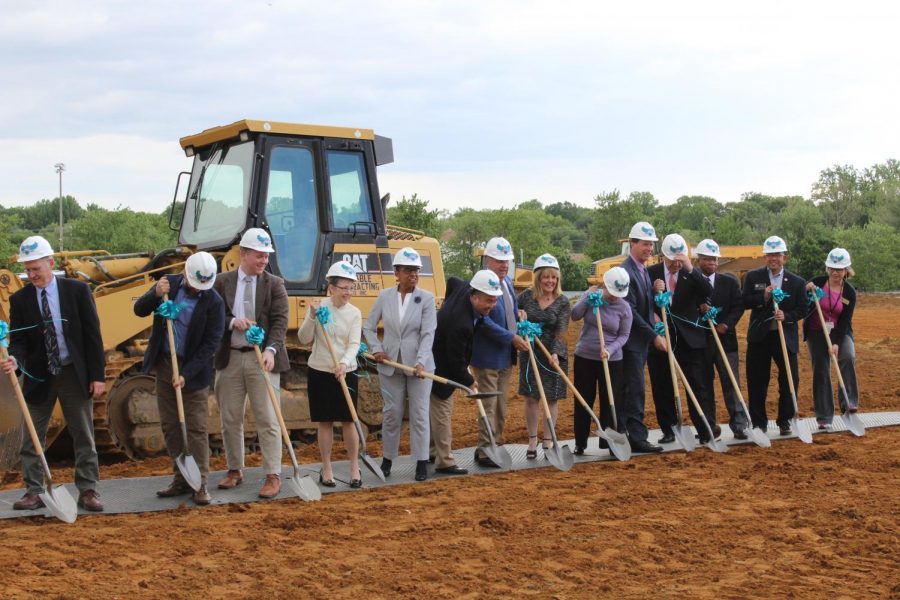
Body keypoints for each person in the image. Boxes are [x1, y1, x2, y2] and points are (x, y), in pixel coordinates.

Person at [1, 236, 106, 512]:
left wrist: (97, 375)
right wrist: (15, 360)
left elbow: (93, 336)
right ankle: (34, 491)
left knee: (83, 432)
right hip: (39, 374)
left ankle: (88, 489)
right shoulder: (20, 299)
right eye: (28, 269)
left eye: (36, 268)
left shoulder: (77, 291)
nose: (32, 274)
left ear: (50, 262)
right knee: (32, 433)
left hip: (73, 371)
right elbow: (19, 341)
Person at [134, 251, 225, 505]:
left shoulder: (214, 302)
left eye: (202, 288)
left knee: (195, 427)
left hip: (194, 370)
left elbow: (211, 344)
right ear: (185, 273)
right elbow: (138, 310)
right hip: (165, 363)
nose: (197, 291)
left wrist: (186, 374)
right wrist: (153, 292)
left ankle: (201, 482)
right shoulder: (168, 285)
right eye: (194, 286)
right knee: (171, 424)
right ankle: (181, 478)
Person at [213, 228, 289, 499]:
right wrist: (233, 322)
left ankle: (273, 474)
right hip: (230, 358)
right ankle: (235, 469)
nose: (264, 260)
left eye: (266, 256)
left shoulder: (275, 284)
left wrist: (271, 349)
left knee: (268, 419)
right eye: (259, 255)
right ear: (243, 254)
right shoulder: (221, 282)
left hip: (262, 361)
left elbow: (280, 322)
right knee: (230, 417)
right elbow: (212, 317)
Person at [363, 247, 436, 482]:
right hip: (390, 364)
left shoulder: (426, 298)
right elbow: (368, 326)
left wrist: (421, 362)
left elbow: (428, 333)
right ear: (397, 272)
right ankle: (387, 458)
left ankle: (421, 461)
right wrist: (377, 349)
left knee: (419, 413)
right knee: (392, 413)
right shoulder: (385, 296)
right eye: (408, 270)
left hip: (420, 367)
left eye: (416, 270)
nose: (413, 275)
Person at [429, 270, 502, 475]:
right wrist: (470, 382)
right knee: (442, 409)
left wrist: (445, 305)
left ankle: (432, 451)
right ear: (475, 296)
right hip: (439, 363)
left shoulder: (463, 288)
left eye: (494, 301)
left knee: (434, 409)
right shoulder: (460, 324)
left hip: (443, 350)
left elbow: (452, 280)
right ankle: (444, 461)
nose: (491, 306)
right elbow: (455, 362)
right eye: (488, 301)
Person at [297, 260, 363, 488]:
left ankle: (354, 467)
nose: (348, 292)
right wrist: (312, 316)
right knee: (324, 422)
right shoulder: (319, 307)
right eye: (344, 287)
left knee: (348, 421)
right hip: (320, 371)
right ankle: (326, 468)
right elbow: (304, 338)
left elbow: (354, 344)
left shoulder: (355, 313)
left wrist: (344, 363)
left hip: (346, 372)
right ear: (331, 287)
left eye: (351, 287)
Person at [470, 237, 530, 467]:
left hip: (505, 355)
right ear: (487, 260)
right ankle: (486, 450)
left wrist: (518, 313)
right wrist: (511, 337)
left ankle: (492, 444)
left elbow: (508, 311)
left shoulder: (506, 283)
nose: (504, 265)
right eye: (499, 260)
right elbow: (482, 321)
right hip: (487, 356)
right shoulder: (481, 283)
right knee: (488, 404)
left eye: (507, 260)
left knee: (501, 405)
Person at [648, 234, 713, 442]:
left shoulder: (691, 273)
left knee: (697, 384)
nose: (675, 264)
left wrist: (690, 268)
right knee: (662, 384)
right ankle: (668, 429)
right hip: (661, 337)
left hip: (690, 339)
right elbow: (642, 304)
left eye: (679, 260)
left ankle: (704, 429)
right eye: (671, 260)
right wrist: (655, 319)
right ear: (662, 257)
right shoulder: (651, 274)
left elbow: (707, 291)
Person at [742, 236, 808, 436]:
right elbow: (744, 301)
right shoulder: (753, 277)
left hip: (784, 337)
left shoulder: (797, 282)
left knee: (789, 379)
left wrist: (786, 316)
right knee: (757, 381)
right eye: (770, 255)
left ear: (784, 258)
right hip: (759, 338)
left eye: (777, 255)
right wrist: (764, 297)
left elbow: (802, 309)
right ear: (764, 258)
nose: (773, 259)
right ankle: (759, 423)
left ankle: (785, 420)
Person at [570, 267, 632, 455]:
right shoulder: (592, 298)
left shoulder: (624, 308)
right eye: (612, 292)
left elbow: (624, 335)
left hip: (612, 360)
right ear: (604, 285)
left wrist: (610, 349)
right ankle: (580, 443)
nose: (615, 297)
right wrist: (586, 298)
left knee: (611, 401)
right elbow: (575, 315)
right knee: (584, 400)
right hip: (585, 357)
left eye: (618, 294)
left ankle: (610, 443)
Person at [517, 254, 571, 459]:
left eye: (554, 277)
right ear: (538, 278)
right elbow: (514, 317)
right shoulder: (525, 297)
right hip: (530, 353)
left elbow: (562, 329)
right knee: (531, 397)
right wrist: (519, 318)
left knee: (551, 398)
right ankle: (532, 439)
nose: (550, 281)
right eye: (546, 277)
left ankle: (548, 439)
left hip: (553, 355)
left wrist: (556, 352)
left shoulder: (563, 302)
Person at [618, 222, 664, 453]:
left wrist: (656, 311)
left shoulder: (642, 270)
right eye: (645, 244)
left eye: (651, 245)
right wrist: (653, 336)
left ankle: (624, 433)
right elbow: (630, 311)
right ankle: (636, 437)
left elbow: (643, 309)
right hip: (631, 343)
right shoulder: (626, 272)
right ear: (632, 244)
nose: (649, 249)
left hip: (640, 342)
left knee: (630, 388)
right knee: (634, 389)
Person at [695, 239, 748, 439]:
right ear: (698, 260)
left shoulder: (729, 282)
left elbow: (738, 306)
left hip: (726, 342)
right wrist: (698, 309)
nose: (712, 263)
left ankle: (739, 424)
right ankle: (709, 426)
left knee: (732, 384)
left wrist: (726, 325)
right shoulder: (691, 282)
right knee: (704, 386)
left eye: (714, 259)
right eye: (707, 259)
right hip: (700, 343)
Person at [803, 248, 859, 429]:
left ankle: (849, 402)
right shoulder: (817, 282)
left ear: (846, 270)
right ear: (827, 268)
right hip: (816, 331)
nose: (835, 272)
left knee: (848, 356)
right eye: (832, 268)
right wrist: (807, 289)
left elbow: (844, 321)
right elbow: (802, 299)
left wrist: (835, 342)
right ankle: (824, 416)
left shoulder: (849, 293)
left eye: (840, 269)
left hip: (839, 331)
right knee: (821, 369)